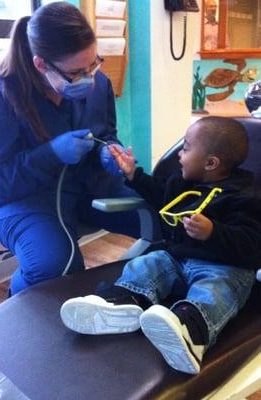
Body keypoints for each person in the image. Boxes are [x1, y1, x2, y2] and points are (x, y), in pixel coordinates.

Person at [60, 116, 261, 375]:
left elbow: (252, 244)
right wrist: (134, 174)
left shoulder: (244, 199)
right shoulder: (185, 183)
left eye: (186, 148)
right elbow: (161, 196)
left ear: (211, 163)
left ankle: (190, 331)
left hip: (224, 266)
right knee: (148, 263)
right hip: (178, 259)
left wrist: (214, 232)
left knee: (214, 291)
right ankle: (121, 303)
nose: (180, 153)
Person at [0, 2, 140, 295]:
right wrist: (51, 154)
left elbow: (107, 134)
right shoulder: (2, 98)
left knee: (167, 219)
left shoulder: (99, 84)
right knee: (56, 269)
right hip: (25, 200)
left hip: (89, 186)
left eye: (94, 63)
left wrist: (109, 154)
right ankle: (14, 317)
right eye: (76, 73)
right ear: (41, 64)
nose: (89, 78)